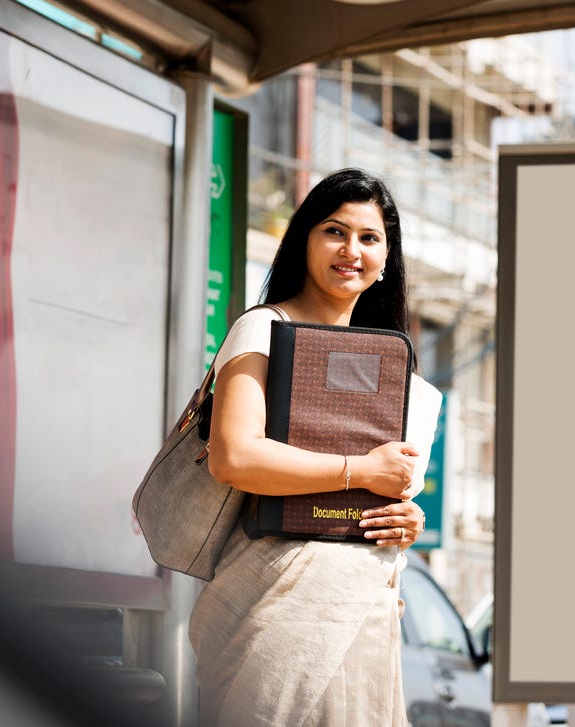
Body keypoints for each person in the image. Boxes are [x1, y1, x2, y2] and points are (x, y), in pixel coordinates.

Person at [188, 168, 430, 725]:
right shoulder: (262, 330)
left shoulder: (389, 359)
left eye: (369, 238)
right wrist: (361, 469)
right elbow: (235, 457)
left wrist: (402, 517)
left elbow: (387, 480)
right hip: (275, 608)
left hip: (363, 607)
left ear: (387, 259)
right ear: (304, 241)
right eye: (334, 231)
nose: (352, 250)